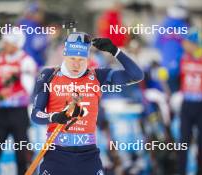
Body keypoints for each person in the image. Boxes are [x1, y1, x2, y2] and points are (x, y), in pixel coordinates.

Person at [31, 32, 143, 175]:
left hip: (88, 156)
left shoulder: (97, 76)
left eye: (81, 59)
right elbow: (35, 114)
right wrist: (53, 117)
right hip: (57, 155)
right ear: (64, 55)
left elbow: (136, 75)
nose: (76, 64)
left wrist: (115, 51)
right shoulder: (48, 75)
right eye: (72, 58)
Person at [0, 27, 37, 175]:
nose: (4, 45)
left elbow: (27, 89)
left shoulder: (26, 61)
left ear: (16, 44)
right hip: (2, 113)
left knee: (22, 156)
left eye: (7, 42)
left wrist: (8, 89)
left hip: (19, 113)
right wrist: (2, 90)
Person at [178, 29, 202, 175]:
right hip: (187, 104)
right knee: (183, 142)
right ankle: (181, 171)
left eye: (187, 42)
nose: (184, 44)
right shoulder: (183, 58)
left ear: (195, 44)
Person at [17, 2, 48, 67]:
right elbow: (33, 47)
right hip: (30, 63)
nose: (41, 15)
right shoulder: (29, 26)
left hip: (31, 63)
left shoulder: (38, 27)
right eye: (38, 12)